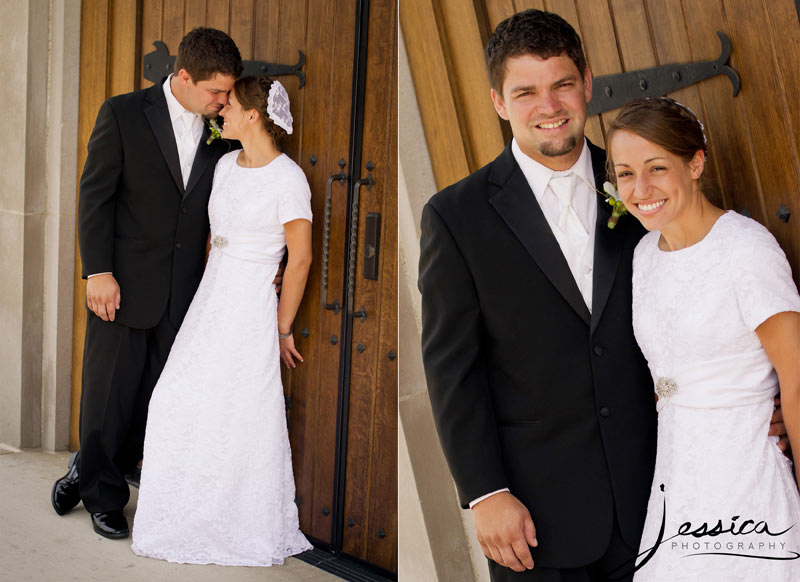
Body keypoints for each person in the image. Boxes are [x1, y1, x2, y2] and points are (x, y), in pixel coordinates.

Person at [417, 9, 788, 581]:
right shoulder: (455, 216)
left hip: (663, 496)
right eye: (526, 92)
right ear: (498, 101)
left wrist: (766, 405)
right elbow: (451, 368)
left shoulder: (643, 192)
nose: (550, 105)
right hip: (537, 516)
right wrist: (485, 492)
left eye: (563, 84)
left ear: (587, 83)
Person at [51, 28, 243, 539]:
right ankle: (103, 498)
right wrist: (98, 271)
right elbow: (95, 198)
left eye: (228, 92)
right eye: (216, 91)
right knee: (107, 396)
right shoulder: (122, 113)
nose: (224, 101)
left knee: (157, 402)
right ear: (182, 77)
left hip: (183, 292)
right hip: (121, 285)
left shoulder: (219, 128)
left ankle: (88, 468)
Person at [605, 97, 800, 581]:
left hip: (745, 473)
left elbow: (796, 378)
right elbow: (670, 371)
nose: (640, 189)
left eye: (656, 168)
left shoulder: (744, 250)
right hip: (677, 478)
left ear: (695, 163)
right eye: (626, 173)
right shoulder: (644, 255)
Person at [131, 75, 313, 566]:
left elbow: (298, 260)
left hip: (252, 303)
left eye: (228, 105)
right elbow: (213, 234)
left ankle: (237, 519)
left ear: (254, 115)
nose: (220, 113)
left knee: (239, 411)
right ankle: (183, 508)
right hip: (211, 297)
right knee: (175, 399)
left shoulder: (289, 179)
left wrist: (282, 325)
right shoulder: (227, 164)